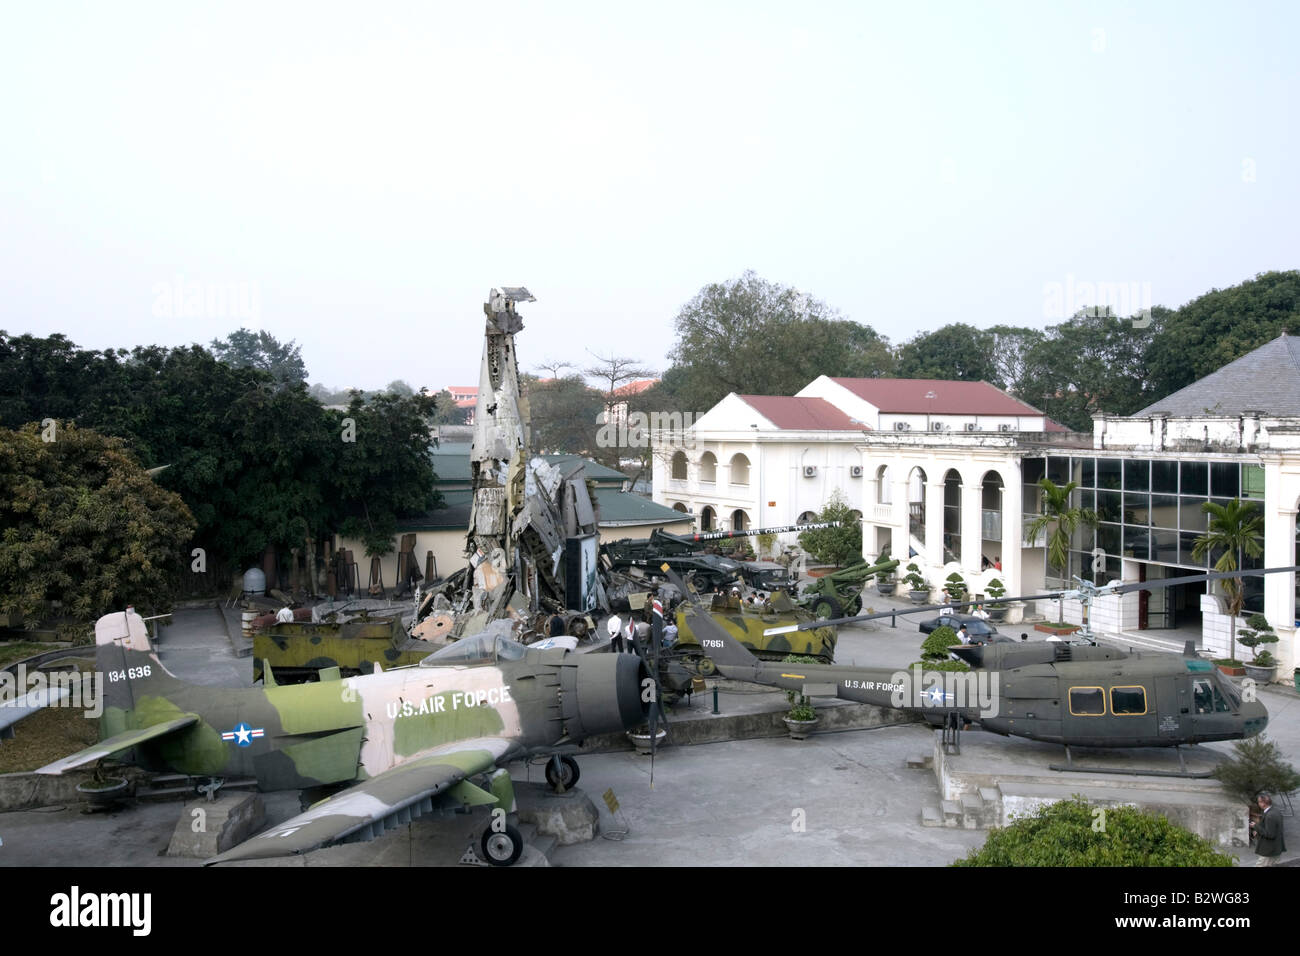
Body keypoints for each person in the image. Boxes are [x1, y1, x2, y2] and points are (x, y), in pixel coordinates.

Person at [1254, 793, 1286, 866]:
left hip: (1269, 850)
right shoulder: (1276, 811)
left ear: (1263, 803)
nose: (1258, 803)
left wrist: (1256, 826)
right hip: (1276, 848)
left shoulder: (1270, 815)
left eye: (1259, 802)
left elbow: (1270, 834)